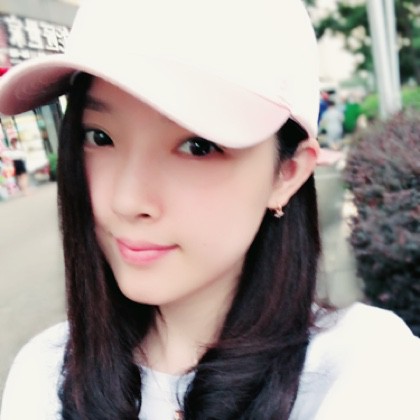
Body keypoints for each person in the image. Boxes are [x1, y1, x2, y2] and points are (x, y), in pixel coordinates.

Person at [0, 1, 419, 419]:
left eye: (197, 146)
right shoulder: (44, 375)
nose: (127, 201)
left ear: (287, 173)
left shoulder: (367, 371)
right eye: (99, 137)